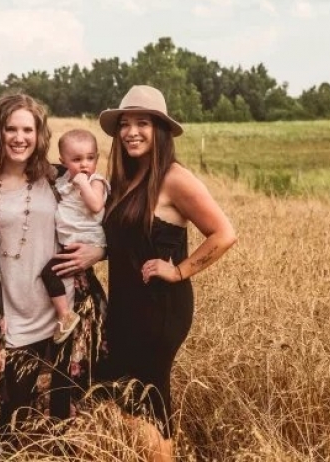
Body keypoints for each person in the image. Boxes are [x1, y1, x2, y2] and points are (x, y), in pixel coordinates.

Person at [97, 85, 237, 461]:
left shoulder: (174, 178)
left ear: (159, 129)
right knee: (124, 397)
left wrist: (178, 271)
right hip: (127, 305)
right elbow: (124, 243)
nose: (131, 132)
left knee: (148, 396)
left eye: (142, 123)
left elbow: (224, 234)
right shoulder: (128, 179)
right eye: (125, 124)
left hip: (160, 309)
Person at [0, 92, 108, 445]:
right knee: (14, 421)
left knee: (69, 421)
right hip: (15, 320)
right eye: (11, 128)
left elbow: (104, 222)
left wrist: (100, 252)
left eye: (28, 129)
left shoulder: (59, 178)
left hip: (70, 315)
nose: (19, 137)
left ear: (39, 134)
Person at [39, 129, 109, 343]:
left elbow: (96, 205)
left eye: (90, 158)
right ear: (63, 161)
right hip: (70, 241)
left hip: (86, 241)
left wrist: (83, 184)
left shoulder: (95, 181)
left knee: (49, 273)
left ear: (97, 158)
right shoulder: (62, 182)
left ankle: (65, 315)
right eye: (76, 160)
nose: (84, 164)